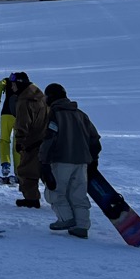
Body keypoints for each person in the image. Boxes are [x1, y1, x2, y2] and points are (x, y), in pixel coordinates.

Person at [39, 83, 100, 239]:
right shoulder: (81, 114)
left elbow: (49, 139)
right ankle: (81, 226)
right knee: (78, 194)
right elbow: (94, 138)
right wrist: (93, 160)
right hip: (82, 162)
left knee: (55, 192)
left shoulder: (54, 114)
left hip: (61, 160)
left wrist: (43, 162)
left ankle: (65, 219)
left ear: (51, 97)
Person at [11, 76, 49, 208]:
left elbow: (23, 123)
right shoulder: (42, 98)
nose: (12, 87)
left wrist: (19, 141)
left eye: (13, 85)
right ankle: (60, 198)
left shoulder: (24, 101)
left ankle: (31, 198)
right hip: (45, 140)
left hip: (31, 141)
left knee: (26, 171)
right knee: (46, 171)